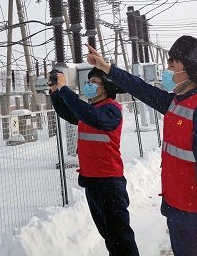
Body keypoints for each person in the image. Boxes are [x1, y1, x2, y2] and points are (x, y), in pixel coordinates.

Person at [86, 36, 197, 255]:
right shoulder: (177, 102)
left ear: (192, 71)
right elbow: (141, 89)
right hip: (181, 216)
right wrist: (106, 68)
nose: (166, 71)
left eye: (172, 65)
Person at [49, 67, 140, 256]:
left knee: (120, 238)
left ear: (105, 88)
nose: (89, 85)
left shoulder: (110, 110)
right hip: (92, 182)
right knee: (108, 235)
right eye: (88, 82)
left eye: (94, 83)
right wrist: (57, 92)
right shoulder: (90, 111)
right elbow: (68, 112)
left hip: (109, 183)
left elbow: (88, 115)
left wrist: (65, 89)